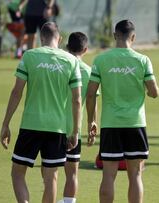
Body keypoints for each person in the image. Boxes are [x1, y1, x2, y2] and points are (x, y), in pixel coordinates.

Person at [0, 22, 82, 203]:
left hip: (31, 125)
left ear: (40, 37)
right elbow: (77, 100)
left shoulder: (29, 56)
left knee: (17, 173)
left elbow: (16, 92)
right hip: (57, 128)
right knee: (51, 178)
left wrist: (5, 123)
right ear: (59, 39)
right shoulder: (71, 61)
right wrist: (75, 131)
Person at [86, 19, 159, 203]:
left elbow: (90, 94)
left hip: (111, 124)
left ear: (114, 35)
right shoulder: (143, 60)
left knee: (108, 175)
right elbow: (154, 92)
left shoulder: (101, 59)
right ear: (133, 37)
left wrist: (91, 121)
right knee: (135, 175)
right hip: (135, 123)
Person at [59, 32, 97, 203]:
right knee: (72, 172)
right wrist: (91, 123)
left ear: (67, 47)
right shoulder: (89, 71)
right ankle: (69, 201)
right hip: (74, 128)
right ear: (86, 49)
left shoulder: (58, 66)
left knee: (49, 170)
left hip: (52, 126)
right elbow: (91, 101)